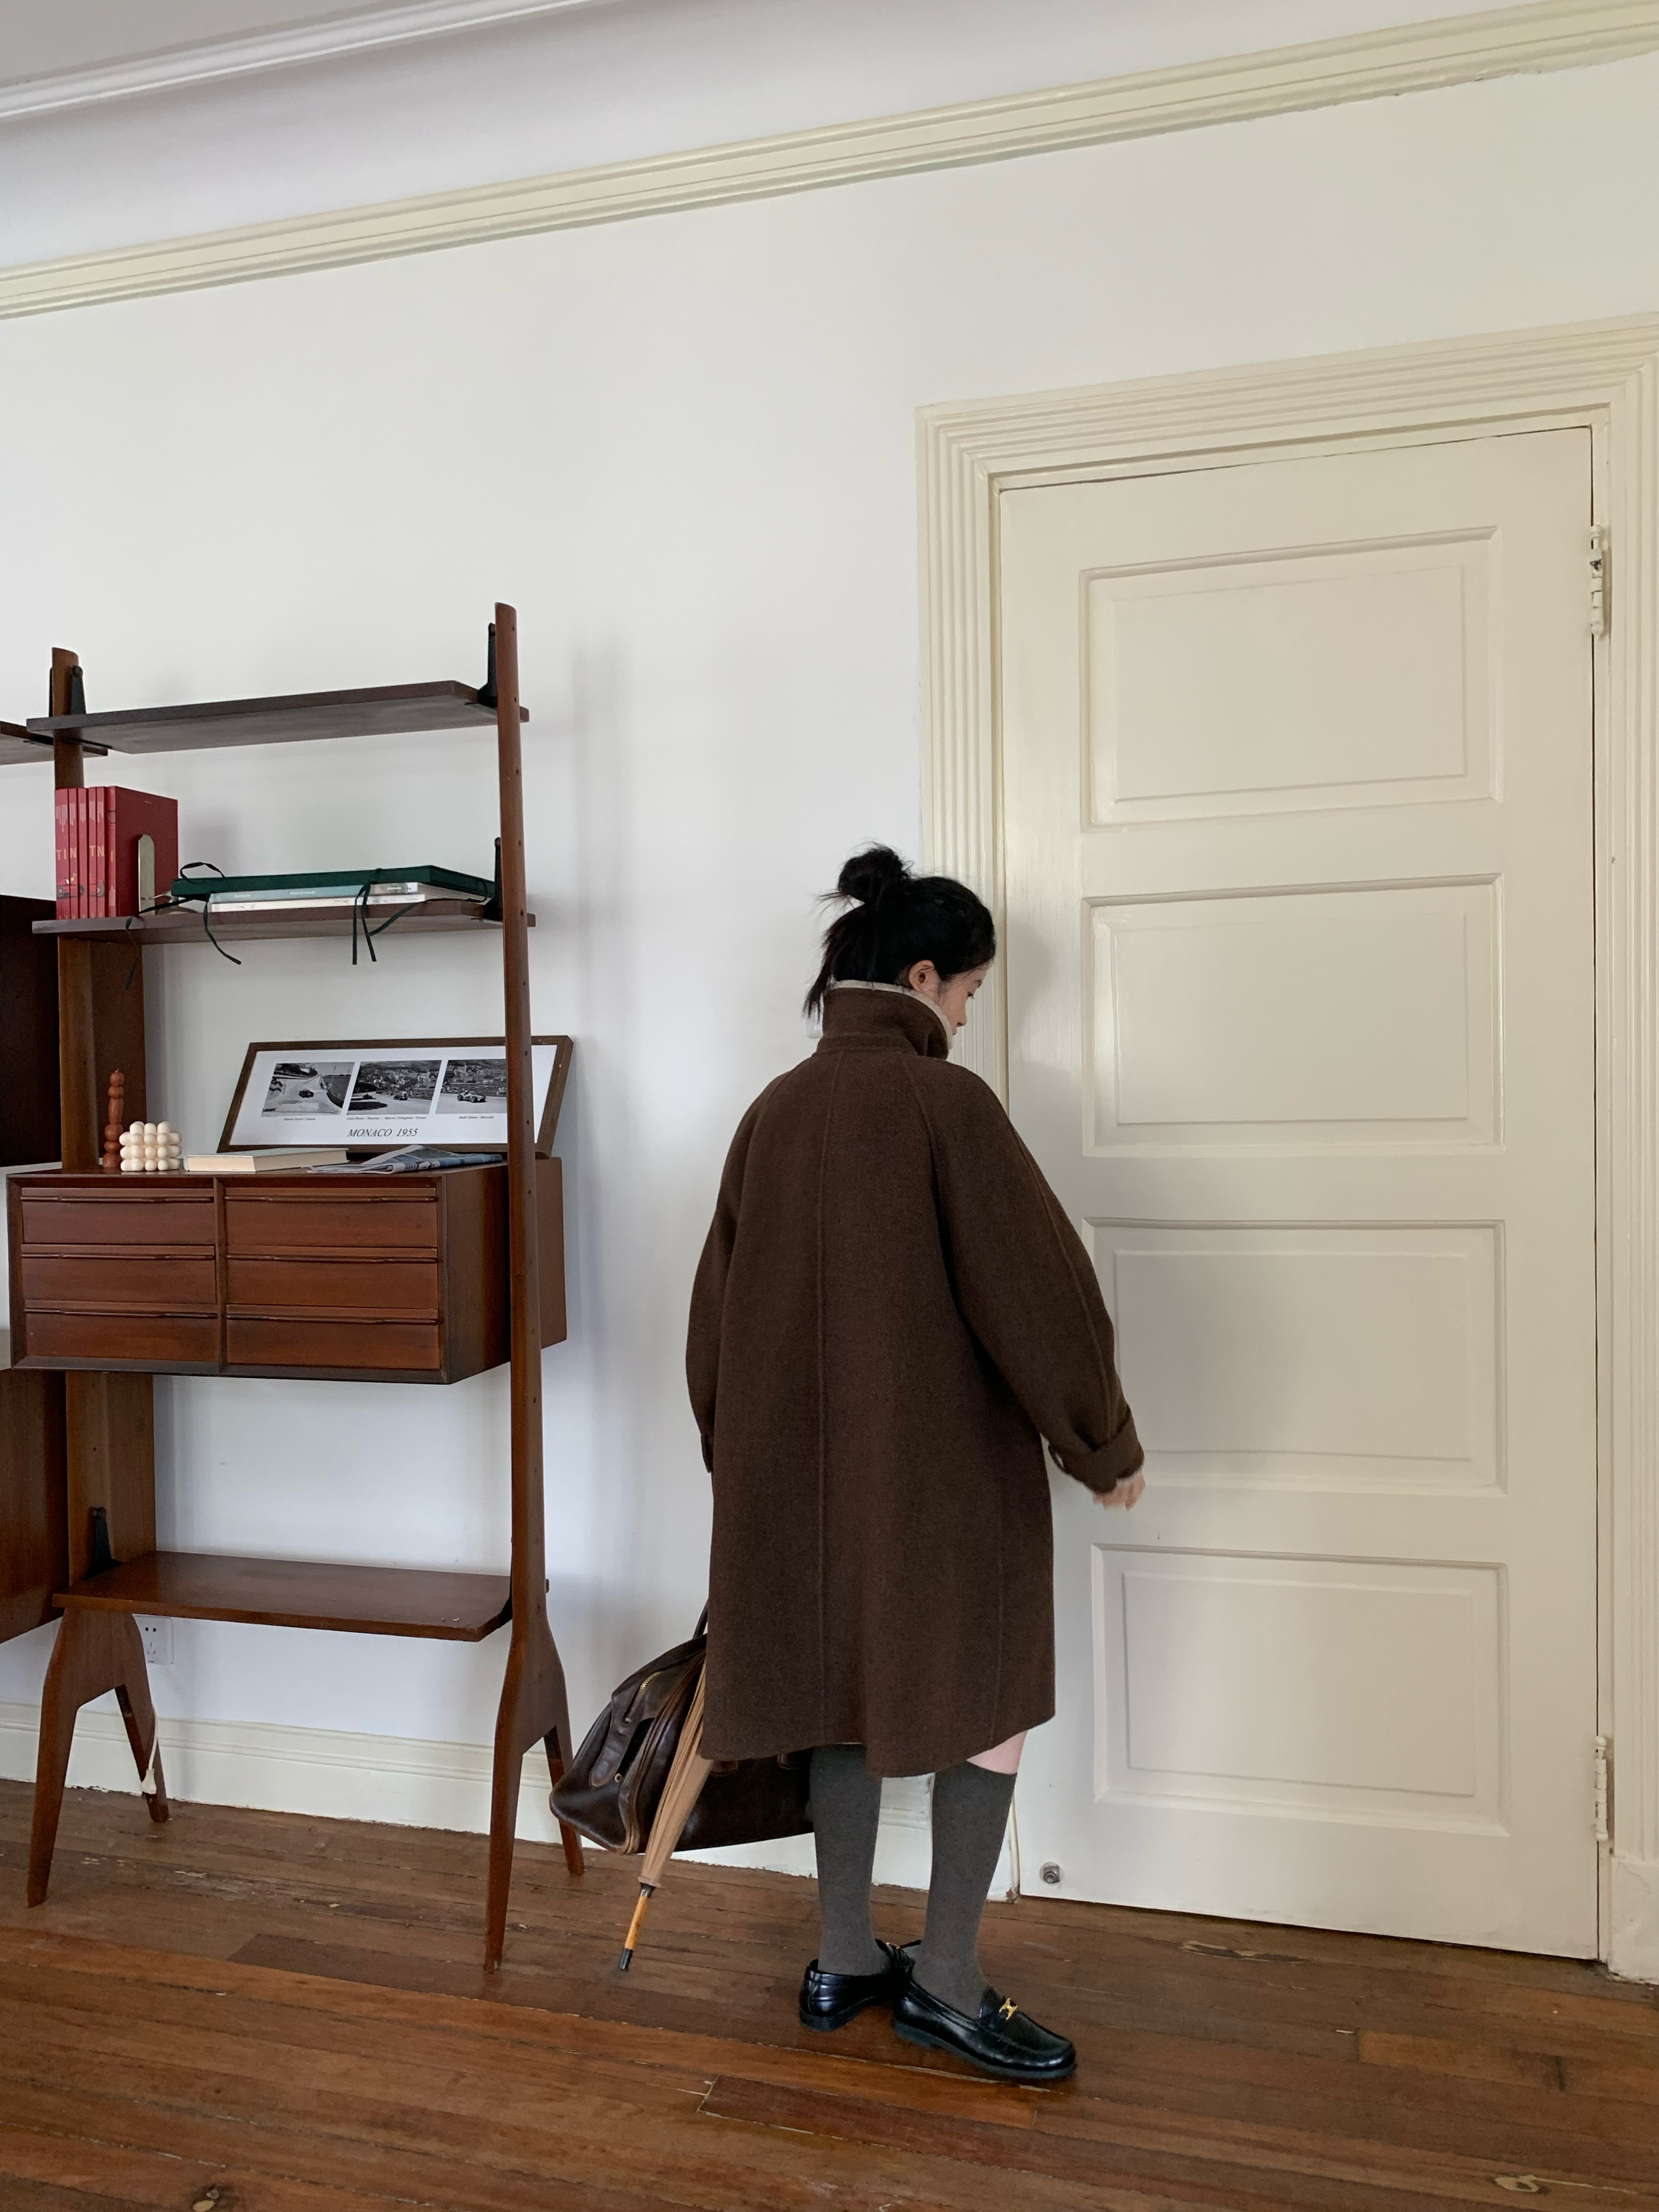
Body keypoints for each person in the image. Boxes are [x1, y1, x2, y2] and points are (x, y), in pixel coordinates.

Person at [686, 844, 1143, 2084]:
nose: (971, 1018)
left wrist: (746, 1473)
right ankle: (945, 1981)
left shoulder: (774, 1112)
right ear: (925, 976)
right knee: (989, 1699)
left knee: (839, 1697)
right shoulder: (948, 1108)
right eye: (972, 993)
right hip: (942, 1492)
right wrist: (1100, 1442)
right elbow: (1042, 1296)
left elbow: (712, 1321)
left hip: (792, 1495)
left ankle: (843, 1961)